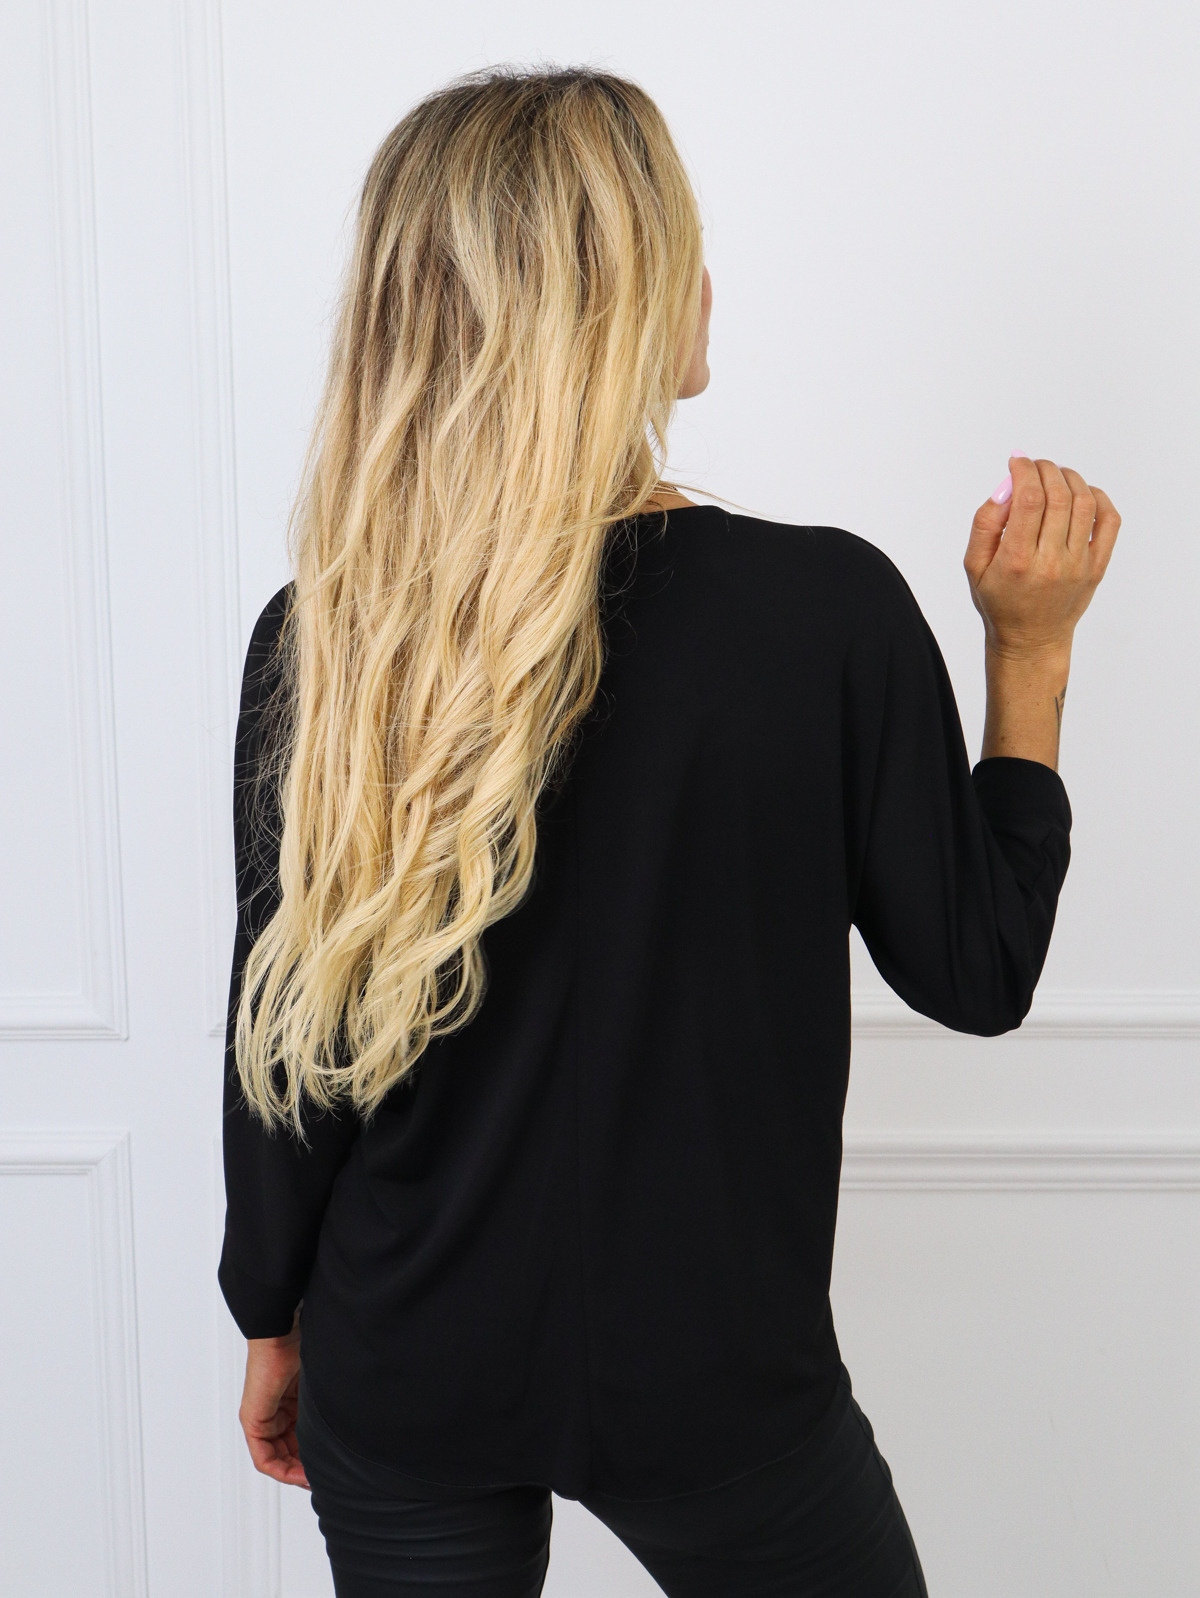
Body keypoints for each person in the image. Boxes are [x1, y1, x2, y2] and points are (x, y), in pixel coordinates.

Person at [217, 64, 1120, 1598]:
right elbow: (978, 968)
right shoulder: (825, 612)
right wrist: (1029, 655)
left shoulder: (331, 634)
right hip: (716, 1381)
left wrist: (270, 1314)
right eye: (684, 250)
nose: (711, 284)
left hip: (405, 1352)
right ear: (630, 302)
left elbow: (286, 1045)